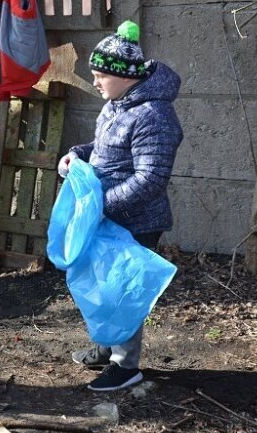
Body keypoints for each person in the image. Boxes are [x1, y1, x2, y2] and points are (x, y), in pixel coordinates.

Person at [57, 20, 184, 392]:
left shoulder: (153, 116)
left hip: (137, 221)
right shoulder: (117, 104)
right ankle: (105, 347)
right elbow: (104, 151)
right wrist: (76, 156)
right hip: (109, 217)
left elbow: (151, 179)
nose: (94, 82)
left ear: (125, 76)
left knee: (124, 292)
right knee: (101, 284)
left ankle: (126, 366)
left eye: (99, 75)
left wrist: (100, 205)